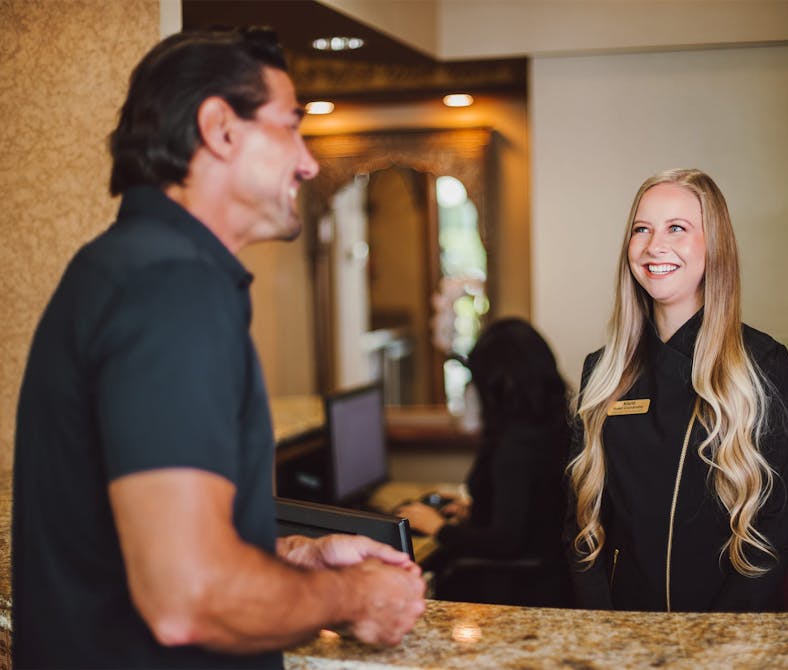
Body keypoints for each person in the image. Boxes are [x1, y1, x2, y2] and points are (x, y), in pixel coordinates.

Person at [12, 28, 424, 669]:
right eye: (291, 126)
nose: (309, 162)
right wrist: (351, 595)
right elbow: (188, 597)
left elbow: (149, 536)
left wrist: (300, 556)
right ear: (220, 129)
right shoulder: (174, 288)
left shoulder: (124, 268)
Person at [565, 168, 788, 612]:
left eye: (677, 228)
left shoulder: (762, 362)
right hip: (622, 634)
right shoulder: (601, 371)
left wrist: (716, 643)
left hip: (727, 636)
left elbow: (774, 528)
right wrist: (599, 627)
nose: (655, 245)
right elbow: (581, 529)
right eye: (642, 229)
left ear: (714, 247)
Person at [397, 318, 573, 606]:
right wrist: (479, 507)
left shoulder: (516, 447)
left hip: (517, 590)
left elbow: (505, 541)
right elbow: (535, 508)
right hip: (550, 578)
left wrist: (437, 526)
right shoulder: (551, 426)